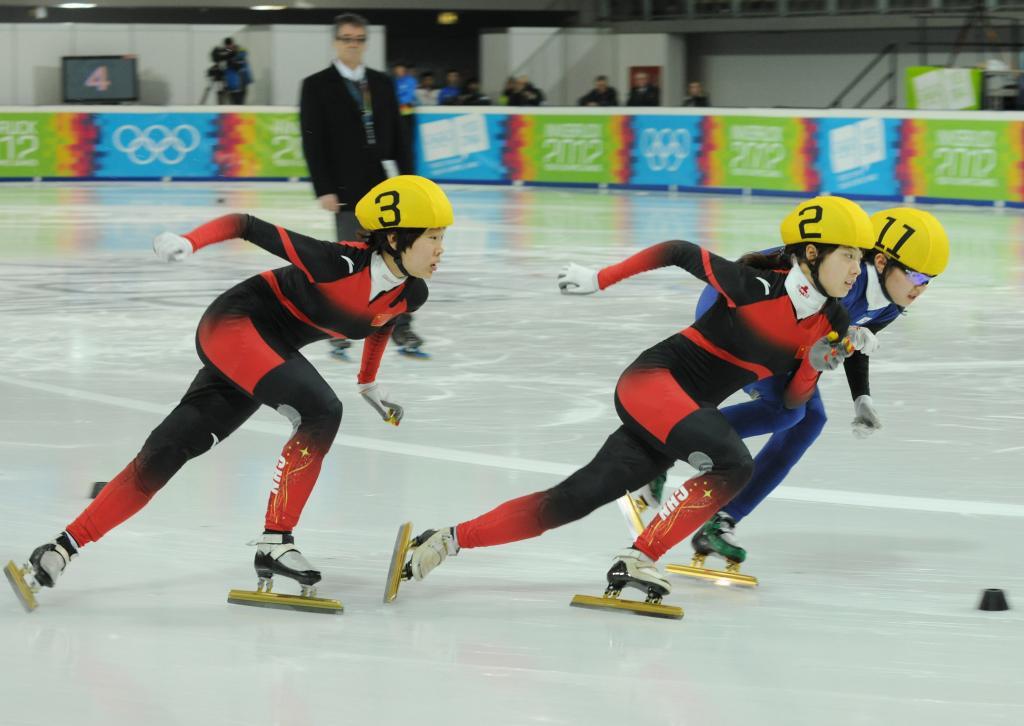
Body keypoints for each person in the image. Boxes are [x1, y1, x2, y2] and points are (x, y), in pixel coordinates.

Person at [396, 196, 877, 603]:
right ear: (811, 253)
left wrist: (815, 363)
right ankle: (640, 557)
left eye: (860, 259)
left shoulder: (832, 321)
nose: (857, 270)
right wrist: (598, 279)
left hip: (680, 413)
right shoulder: (755, 287)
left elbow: (792, 403)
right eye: (848, 256)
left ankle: (444, 540)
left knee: (571, 500)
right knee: (734, 464)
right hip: (652, 382)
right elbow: (678, 250)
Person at [5, 176, 453, 612]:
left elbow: (380, 322)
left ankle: (59, 549)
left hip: (267, 351)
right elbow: (244, 224)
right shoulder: (337, 263)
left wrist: (368, 382)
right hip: (235, 324)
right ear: (394, 238)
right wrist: (190, 242)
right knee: (320, 410)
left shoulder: (412, 293)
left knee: (169, 449)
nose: (440, 249)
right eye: (432, 237)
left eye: (442, 238)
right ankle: (276, 541)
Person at [682, 208, 950, 569]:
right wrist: (841, 333)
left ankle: (722, 518)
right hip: (736, 307)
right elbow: (804, 321)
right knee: (784, 410)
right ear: (882, 261)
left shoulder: (891, 299)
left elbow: (855, 342)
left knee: (808, 420)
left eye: (930, 280)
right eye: (916, 275)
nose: (921, 288)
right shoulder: (845, 276)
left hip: (782, 333)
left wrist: (861, 398)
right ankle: (668, 437)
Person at [298, 13, 425, 356]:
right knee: (351, 260)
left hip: (386, 188)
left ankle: (401, 325)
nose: (353, 45)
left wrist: (411, 182)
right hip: (345, 188)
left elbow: (399, 135)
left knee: (398, 256)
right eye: (346, 38)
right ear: (335, 42)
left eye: (359, 39)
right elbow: (313, 141)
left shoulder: (381, 83)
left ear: (366, 43)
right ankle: (341, 325)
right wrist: (324, 188)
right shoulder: (316, 85)